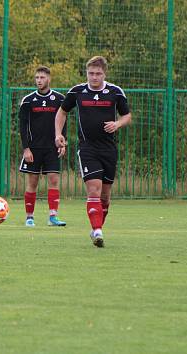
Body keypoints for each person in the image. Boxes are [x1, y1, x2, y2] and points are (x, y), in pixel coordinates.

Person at [55, 56, 132, 247]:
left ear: (104, 74)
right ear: (86, 73)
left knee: (105, 196)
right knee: (93, 190)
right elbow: (62, 112)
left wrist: (118, 123)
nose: (94, 77)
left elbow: (127, 115)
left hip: (109, 149)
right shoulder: (77, 91)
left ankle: (96, 228)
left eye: (98, 74)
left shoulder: (115, 92)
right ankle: (97, 231)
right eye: (91, 73)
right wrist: (58, 134)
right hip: (87, 148)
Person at [18, 66, 67, 227]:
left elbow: (63, 122)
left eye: (42, 77)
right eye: (37, 77)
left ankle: (53, 217)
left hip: (52, 147)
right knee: (32, 182)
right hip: (34, 149)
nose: (39, 80)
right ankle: (29, 217)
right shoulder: (28, 100)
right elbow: (23, 126)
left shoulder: (59, 99)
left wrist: (62, 142)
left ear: (49, 79)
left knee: (53, 179)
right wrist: (26, 148)